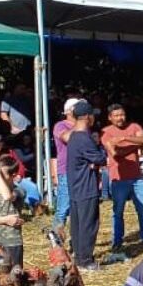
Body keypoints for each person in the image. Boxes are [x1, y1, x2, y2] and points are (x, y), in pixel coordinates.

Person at [101, 103, 143, 254]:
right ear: (110, 118)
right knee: (118, 212)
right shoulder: (106, 132)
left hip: (137, 177)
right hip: (118, 178)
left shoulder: (134, 126)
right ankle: (117, 241)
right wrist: (134, 144)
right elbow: (115, 153)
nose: (120, 118)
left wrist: (125, 138)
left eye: (122, 114)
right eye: (116, 115)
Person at [66, 102, 111, 272]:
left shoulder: (74, 137)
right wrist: (100, 152)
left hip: (75, 186)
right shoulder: (84, 138)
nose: (93, 118)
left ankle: (79, 256)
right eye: (92, 115)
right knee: (88, 223)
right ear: (86, 116)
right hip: (86, 186)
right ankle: (86, 260)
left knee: (78, 224)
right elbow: (100, 158)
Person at [51, 98, 81, 233]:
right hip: (66, 170)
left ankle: (75, 240)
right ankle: (56, 243)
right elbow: (67, 138)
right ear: (69, 111)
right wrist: (80, 125)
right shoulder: (60, 125)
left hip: (82, 170)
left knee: (79, 207)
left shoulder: (84, 126)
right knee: (63, 207)